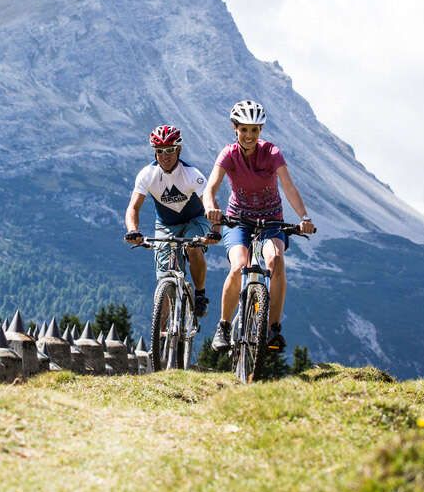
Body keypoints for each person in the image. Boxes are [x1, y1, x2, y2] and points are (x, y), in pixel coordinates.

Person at [203, 100, 315, 353]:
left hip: (271, 220)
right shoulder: (228, 154)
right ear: (235, 129)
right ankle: (223, 326)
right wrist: (211, 207)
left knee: (275, 260)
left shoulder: (272, 153)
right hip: (237, 220)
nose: (249, 136)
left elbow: (288, 187)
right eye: (244, 129)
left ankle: (274, 328)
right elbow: (210, 188)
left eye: (255, 130)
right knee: (239, 265)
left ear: (261, 130)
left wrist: (304, 218)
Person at [124, 124, 217, 317]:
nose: (165, 156)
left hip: (196, 220)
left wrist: (214, 230)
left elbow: (209, 204)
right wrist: (133, 230)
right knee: (164, 281)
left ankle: (200, 295)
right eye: (159, 151)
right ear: (154, 153)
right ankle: (161, 340)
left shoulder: (192, 175)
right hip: (166, 225)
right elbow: (133, 207)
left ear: (179, 150)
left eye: (170, 150)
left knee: (193, 248)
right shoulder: (147, 175)